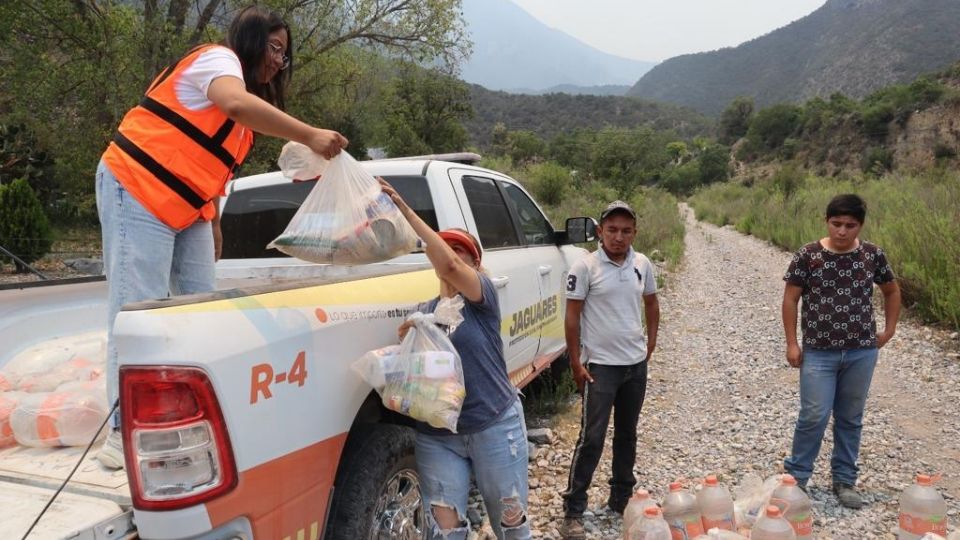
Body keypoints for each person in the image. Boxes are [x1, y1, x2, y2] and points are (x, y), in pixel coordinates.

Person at [95, 5, 348, 468]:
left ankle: (191, 417)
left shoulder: (244, 129)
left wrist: (212, 222)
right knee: (137, 311)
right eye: (275, 49)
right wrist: (311, 134)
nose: (278, 62)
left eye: (284, 56)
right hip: (135, 185)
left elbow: (211, 169)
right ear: (250, 42)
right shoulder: (218, 62)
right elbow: (234, 102)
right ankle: (120, 430)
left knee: (200, 309)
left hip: (188, 209)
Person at [380, 178, 532, 540]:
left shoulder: (483, 299)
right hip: (439, 436)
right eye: (443, 248)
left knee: (511, 525)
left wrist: (402, 208)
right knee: (445, 531)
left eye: (459, 251)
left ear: (475, 263)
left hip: (494, 425)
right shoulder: (425, 313)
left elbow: (448, 268)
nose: (448, 255)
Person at [781, 193, 900, 509]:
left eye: (850, 225)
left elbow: (891, 290)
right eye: (837, 224)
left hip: (861, 351)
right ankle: (796, 480)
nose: (843, 231)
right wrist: (793, 343)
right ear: (826, 221)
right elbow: (791, 299)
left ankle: (844, 480)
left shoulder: (872, 256)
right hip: (818, 353)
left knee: (850, 417)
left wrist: (889, 330)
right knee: (813, 415)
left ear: (860, 225)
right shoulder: (809, 256)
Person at [560, 200, 660, 540]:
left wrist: (651, 342)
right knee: (591, 438)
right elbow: (572, 317)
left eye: (626, 231)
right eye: (612, 230)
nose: (619, 237)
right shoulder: (584, 268)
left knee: (627, 434)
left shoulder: (642, 264)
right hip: (600, 368)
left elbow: (651, 302)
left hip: (634, 367)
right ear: (600, 231)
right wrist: (576, 362)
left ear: (634, 233)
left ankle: (621, 498)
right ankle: (573, 509)